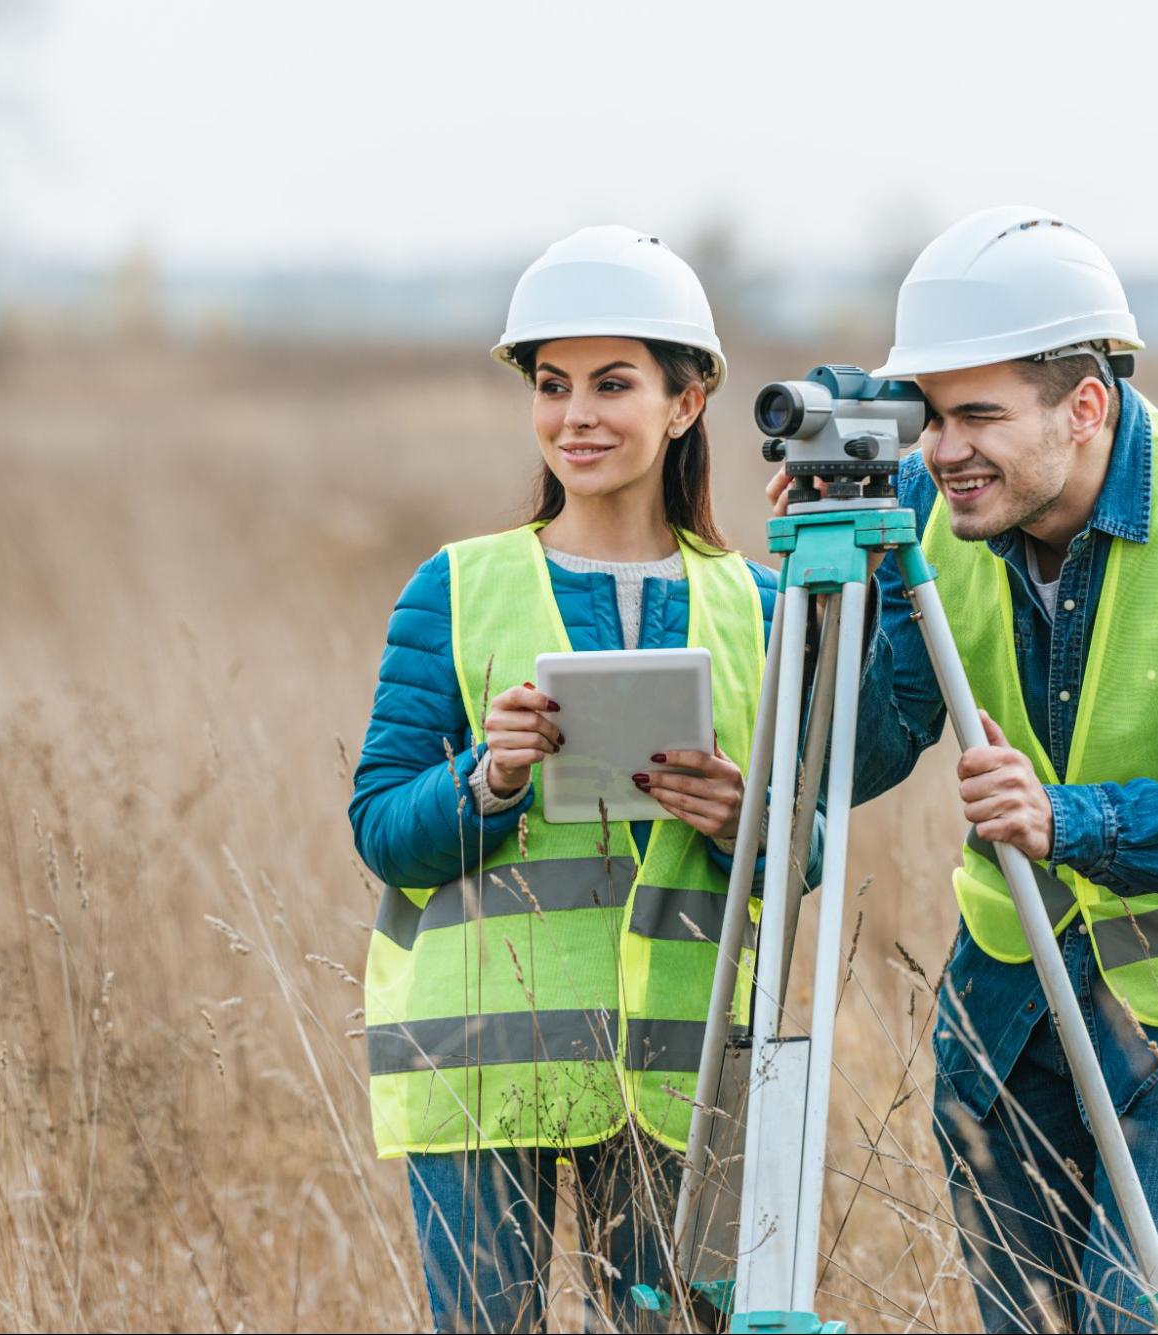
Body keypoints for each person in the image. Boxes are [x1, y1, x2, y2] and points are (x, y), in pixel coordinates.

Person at [769, 206, 1158, 1332]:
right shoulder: (923, 511)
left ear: (1084, 405)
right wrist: (819, 602)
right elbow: (881, 736)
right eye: (930, 416)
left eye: (978, 415)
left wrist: (1072, 822)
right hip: (1012, 999)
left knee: (1139, 1321)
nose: (943, 451)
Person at [350, 225, 788, 1332]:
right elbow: (381, 829)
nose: (574, 416)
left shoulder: (767, 603)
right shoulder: (454, 587)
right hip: (482, 1064)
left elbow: (811, 846)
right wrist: (487, 781)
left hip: (681, 1068)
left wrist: (746, 819)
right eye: (551, 386)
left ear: (685, 404)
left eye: (611, 384)